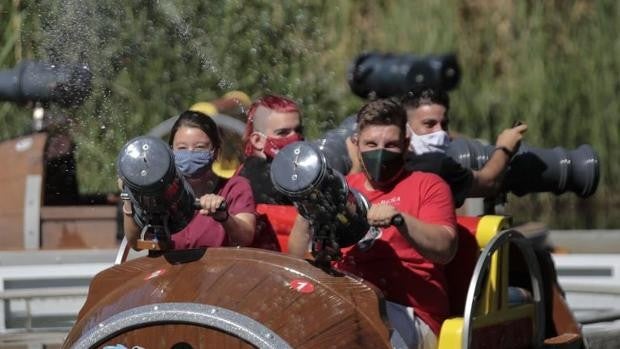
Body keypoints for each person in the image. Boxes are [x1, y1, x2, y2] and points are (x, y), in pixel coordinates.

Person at [288, 98, 457, 349]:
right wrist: (307, 210)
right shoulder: (344, 187)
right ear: (356, 146)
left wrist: (399, 219)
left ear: (406, 145)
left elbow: (446, 249)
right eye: (371, 144)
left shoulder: (428, 185)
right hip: (342, 303)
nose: (380, 152)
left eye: (391, 145)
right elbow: (295, 258)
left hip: (408, 314)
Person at [122, 110, 256, 250]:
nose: (190, 153)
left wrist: (224, 217)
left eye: (199, 148)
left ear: (215, 152)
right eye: (182, 148)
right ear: (171, 151)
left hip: (217, 269)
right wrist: (129, 197)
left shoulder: (234, 187)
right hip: (169, 270)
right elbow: (136, 244)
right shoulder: (158, 190)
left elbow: (246, 237)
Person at [402, 86, 528, 207]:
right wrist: (505, 148)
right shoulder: (438, 166)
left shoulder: (391, 159)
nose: (440, 133)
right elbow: (489, 183)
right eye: (429, 124)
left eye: (444, 125)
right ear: (405, 129)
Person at [237, 94, 304, 205]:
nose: (295, 138)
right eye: (283, 132)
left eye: (298, 130)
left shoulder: (244, 170)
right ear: (257, 140)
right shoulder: (261, 180)